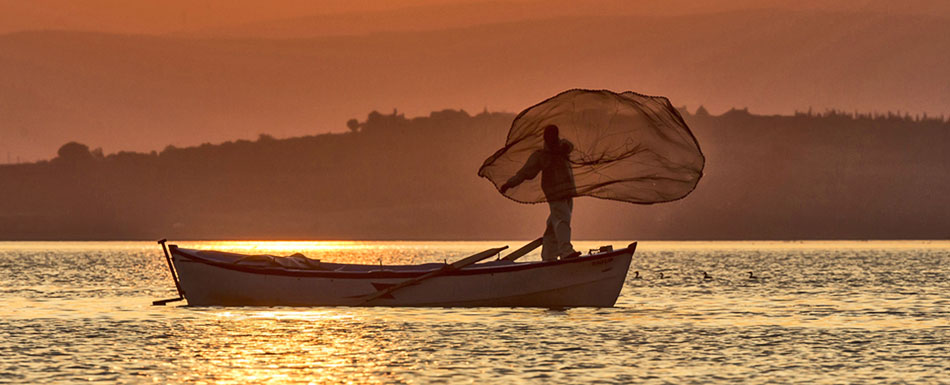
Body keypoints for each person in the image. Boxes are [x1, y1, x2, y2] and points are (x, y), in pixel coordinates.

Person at [500, 125, 580, 261]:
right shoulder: (541, 156)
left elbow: (569, 146)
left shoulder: (563, 149)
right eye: (549, 135)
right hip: (555, 194)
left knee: (553, 224)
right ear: (545, 137)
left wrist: (561, 148)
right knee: (562, 219)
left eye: (554, 134)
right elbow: (525, 173)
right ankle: (566, 252)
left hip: (567, 193)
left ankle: (549, 256)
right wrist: (509, 184)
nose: (551, 138)